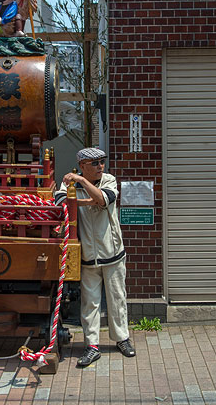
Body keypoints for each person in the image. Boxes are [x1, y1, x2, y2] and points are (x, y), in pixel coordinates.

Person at [54, 147, 136, 367]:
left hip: (112, 251)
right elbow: (60, 204)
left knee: (117, 297)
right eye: (95, 163)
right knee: (89, 303)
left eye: (102, 162)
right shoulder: (68, 184)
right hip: (87, 254)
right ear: (82, 165)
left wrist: (81, 184)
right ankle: (92, 346)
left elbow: (103, 199)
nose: (101, 166)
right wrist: (85, 199)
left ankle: (122, 339)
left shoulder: (109, 180)